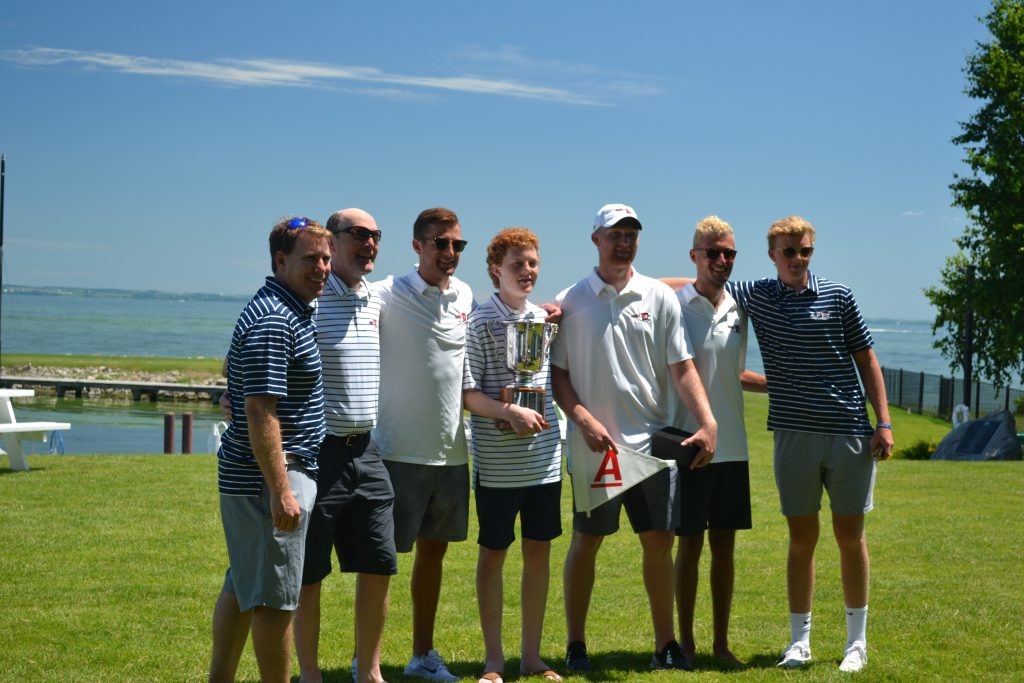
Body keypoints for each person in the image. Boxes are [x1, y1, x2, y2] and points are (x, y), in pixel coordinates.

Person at [672, 215, 894, 673]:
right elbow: (694, 280)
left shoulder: (839, 296)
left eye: (805, 251)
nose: (797, 259)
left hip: (850, 433)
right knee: (801, 540)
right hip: (793, 437)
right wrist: (631, 283)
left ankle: (856, 643)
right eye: (789, 251)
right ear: (772, 255)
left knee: (850, 538)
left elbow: (867, 359)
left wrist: (884, 422)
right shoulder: (756, 294)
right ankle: (800, 643)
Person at [550, 203, 718, 673]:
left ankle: (665, 644)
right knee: (586, 543)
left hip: (651, 448)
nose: (623, 242)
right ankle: (576, 644)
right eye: (614, 234)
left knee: (658, 544)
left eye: (631, 234)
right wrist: (581, 418)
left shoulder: (659, 298)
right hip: (594, 447)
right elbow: (559, 377)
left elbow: (682, 367)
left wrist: (708, 421)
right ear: (596, 240)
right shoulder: (571, 300)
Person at [208, 216, 331, 683]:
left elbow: (239, 369)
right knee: (274, 601)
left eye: (324, 257)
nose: (321, 267)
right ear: (280, 261)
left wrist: (233, 386)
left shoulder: (289, 308)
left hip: (271, 473)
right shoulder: (275, 318)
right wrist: (282, 491)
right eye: (309, 259)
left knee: (243, 586)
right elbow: (261, 412)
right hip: (271, 476)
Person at [364, 207, 473, 682]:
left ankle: (421, 656)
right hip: (396, 452)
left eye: (457, 245)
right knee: (381, 562)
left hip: (451, 454)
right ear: (417, 246)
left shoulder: (466, 294)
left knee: (435, 556)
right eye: (440, 243)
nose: (449, 253)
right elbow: (329, 311)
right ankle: (366, 662)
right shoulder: (386, 293)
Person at [293, 208, 394, 683]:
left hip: (368, 451)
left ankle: (368, 671)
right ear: (332, 242)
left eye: (376, 235)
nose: (370, 243)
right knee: (309, 573)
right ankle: (310, 673)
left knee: (378, 564)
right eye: (359, 234)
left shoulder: (376, 298)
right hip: (320, 452)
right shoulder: (309, 301)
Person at [463, 227, 564, 683]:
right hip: (498, 467)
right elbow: (469, 395)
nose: (527, 272)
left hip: (545, 461)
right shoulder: (480, 321)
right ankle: (493, 661)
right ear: (494, 270)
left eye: (533, 263)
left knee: (539, 553)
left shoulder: (544, 320)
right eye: (518, 264)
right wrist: (509, 411)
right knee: (494, 554)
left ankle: (531, 657)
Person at [669, 216, 766, 669]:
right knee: (689, 546)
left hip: (733, 448)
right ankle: (685, 644)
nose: (722, 260)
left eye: (729, 253)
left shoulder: (739, 308)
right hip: (689, 446)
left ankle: (721, 646)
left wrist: (776, 382)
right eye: (713, 252)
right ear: (695, 256)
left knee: (725, 548)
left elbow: (731, 374)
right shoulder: (673, 303)